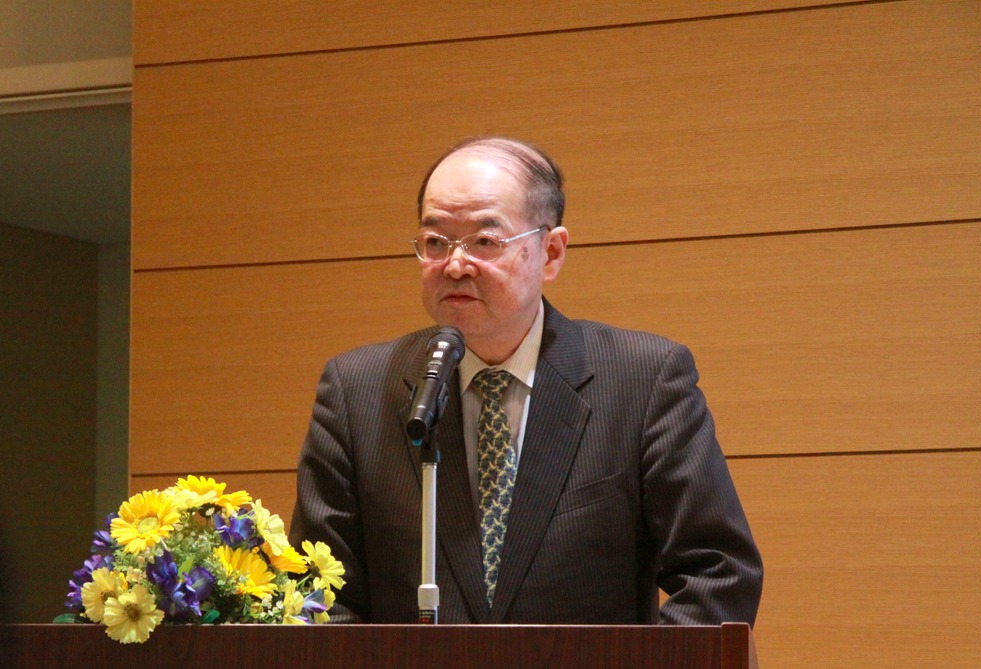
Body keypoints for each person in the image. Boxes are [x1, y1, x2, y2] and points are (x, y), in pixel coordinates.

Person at [289, 137, 763, 624]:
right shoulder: (357, 391)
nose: (455, 264)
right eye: (435, 242)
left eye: (485, 241)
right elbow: (318, 597)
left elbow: (717, 574)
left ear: (551, 252)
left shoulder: (643, 381)